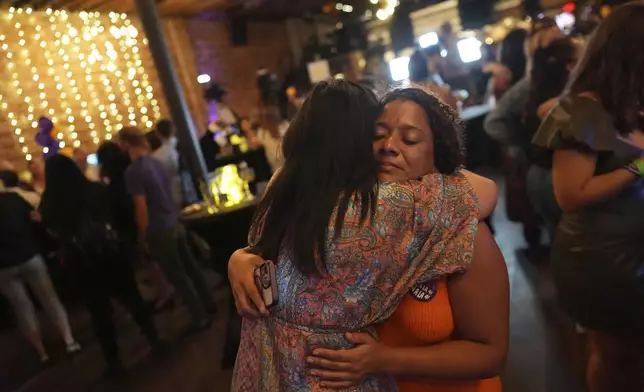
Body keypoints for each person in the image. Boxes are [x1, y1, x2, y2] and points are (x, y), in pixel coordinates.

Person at [229, 88, 508, 392]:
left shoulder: (462, 231)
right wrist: (241, 258)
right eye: (378, 135)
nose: (389, 146)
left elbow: (491, 354)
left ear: (438, 155)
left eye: (410, 139)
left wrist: (385, 360)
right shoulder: (345, 221)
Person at [531, 4, 644, 391]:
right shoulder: (583, 108)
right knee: (617, 358)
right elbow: (571, 194)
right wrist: (637, 169)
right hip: (602, 261)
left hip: (633, 245)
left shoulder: (630, 101)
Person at [39, 155, 161, 378]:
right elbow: (114, 215)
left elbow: (51, 234)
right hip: (111, 255)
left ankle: (114, 362)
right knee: (132, 298)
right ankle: (154, 338)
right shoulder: (95, 190)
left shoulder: (50, 203)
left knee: (100, 315)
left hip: (83, 264)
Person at [118, 127, 215, 330]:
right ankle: (209, 303)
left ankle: (199, 315)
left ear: (125, 144)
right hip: (174, 220)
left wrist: (142, 235)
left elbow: (141, 206)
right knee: (191, 267)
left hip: (159, 228)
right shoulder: (157, 163)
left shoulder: (133, 172)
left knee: (177, 275)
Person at [0, 173, 80, 364]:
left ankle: (41, 352)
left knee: (22, 308)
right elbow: (36, 217)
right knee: (49, 297)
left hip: (3, 265)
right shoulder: (12, 198)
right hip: (28, 254)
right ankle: (69, 340)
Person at [97, 141, 175, 311]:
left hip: (131, 223)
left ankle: (164, 292)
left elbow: (118, 206)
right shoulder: (131, 169)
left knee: (148, 259)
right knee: (156, 258)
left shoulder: (114, 182)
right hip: (152, 217)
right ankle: (167, 289)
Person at [524, 37, 580, 239]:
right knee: (571, 240)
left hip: (538, 173)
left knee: (558, 237)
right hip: (553, 177)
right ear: (569, 65)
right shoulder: (566, 98)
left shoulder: (536, 88)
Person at [153, 119, 183, 207]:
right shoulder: (185, 145)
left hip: (173, 195)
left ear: (157, 134)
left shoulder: (157, 156)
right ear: (174, 130)